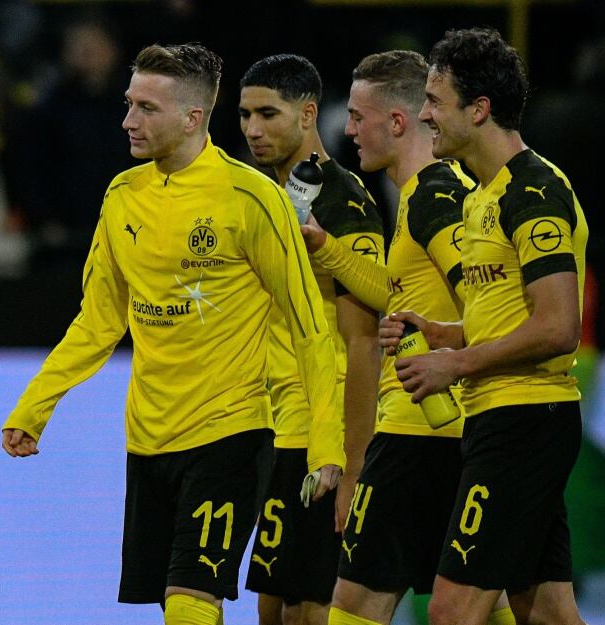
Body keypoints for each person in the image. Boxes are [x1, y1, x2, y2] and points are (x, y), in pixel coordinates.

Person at [1, 43, 344, 625]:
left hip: (229, 432)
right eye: (129, 103)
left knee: (191, 602)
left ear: (192, 117)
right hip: (148, 439)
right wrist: (34, 407)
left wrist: (327, 446)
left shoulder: (250, 198)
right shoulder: (122, 195)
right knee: (176, 604)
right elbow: (98, 321)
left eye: (147, 108)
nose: (128, 120)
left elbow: (310, 323)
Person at [297, 50, 516, 625]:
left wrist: (446, 349)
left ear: (397, 122)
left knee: (355, 605)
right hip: (453, 429)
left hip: (416, 432)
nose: (348, 130)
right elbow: (403, 291)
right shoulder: (440, 190)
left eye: (358, 117)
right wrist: (329, 248)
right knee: (484, 602)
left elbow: (482, 294)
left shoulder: (433, 195)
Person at [380, 28, 587, 625]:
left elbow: (558, 327)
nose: (425, 115)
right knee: (545, 612)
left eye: (435, 102)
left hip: (524, 420)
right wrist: (443, 333)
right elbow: (509, 317)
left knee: (451, 610)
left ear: (479, 109)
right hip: (505, 416)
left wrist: (456, 364)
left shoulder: (534, 192)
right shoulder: (481, 198)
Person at [237, 54, 384, 625]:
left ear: (306, 114)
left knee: (311, 611)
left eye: (268, 114)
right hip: (277, 429)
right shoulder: (263, 198)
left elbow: (362, 343)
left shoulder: (343, 202)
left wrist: (352, 466)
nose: (253, 129)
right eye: (245, 115)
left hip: (322, 435)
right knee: (274, 610)